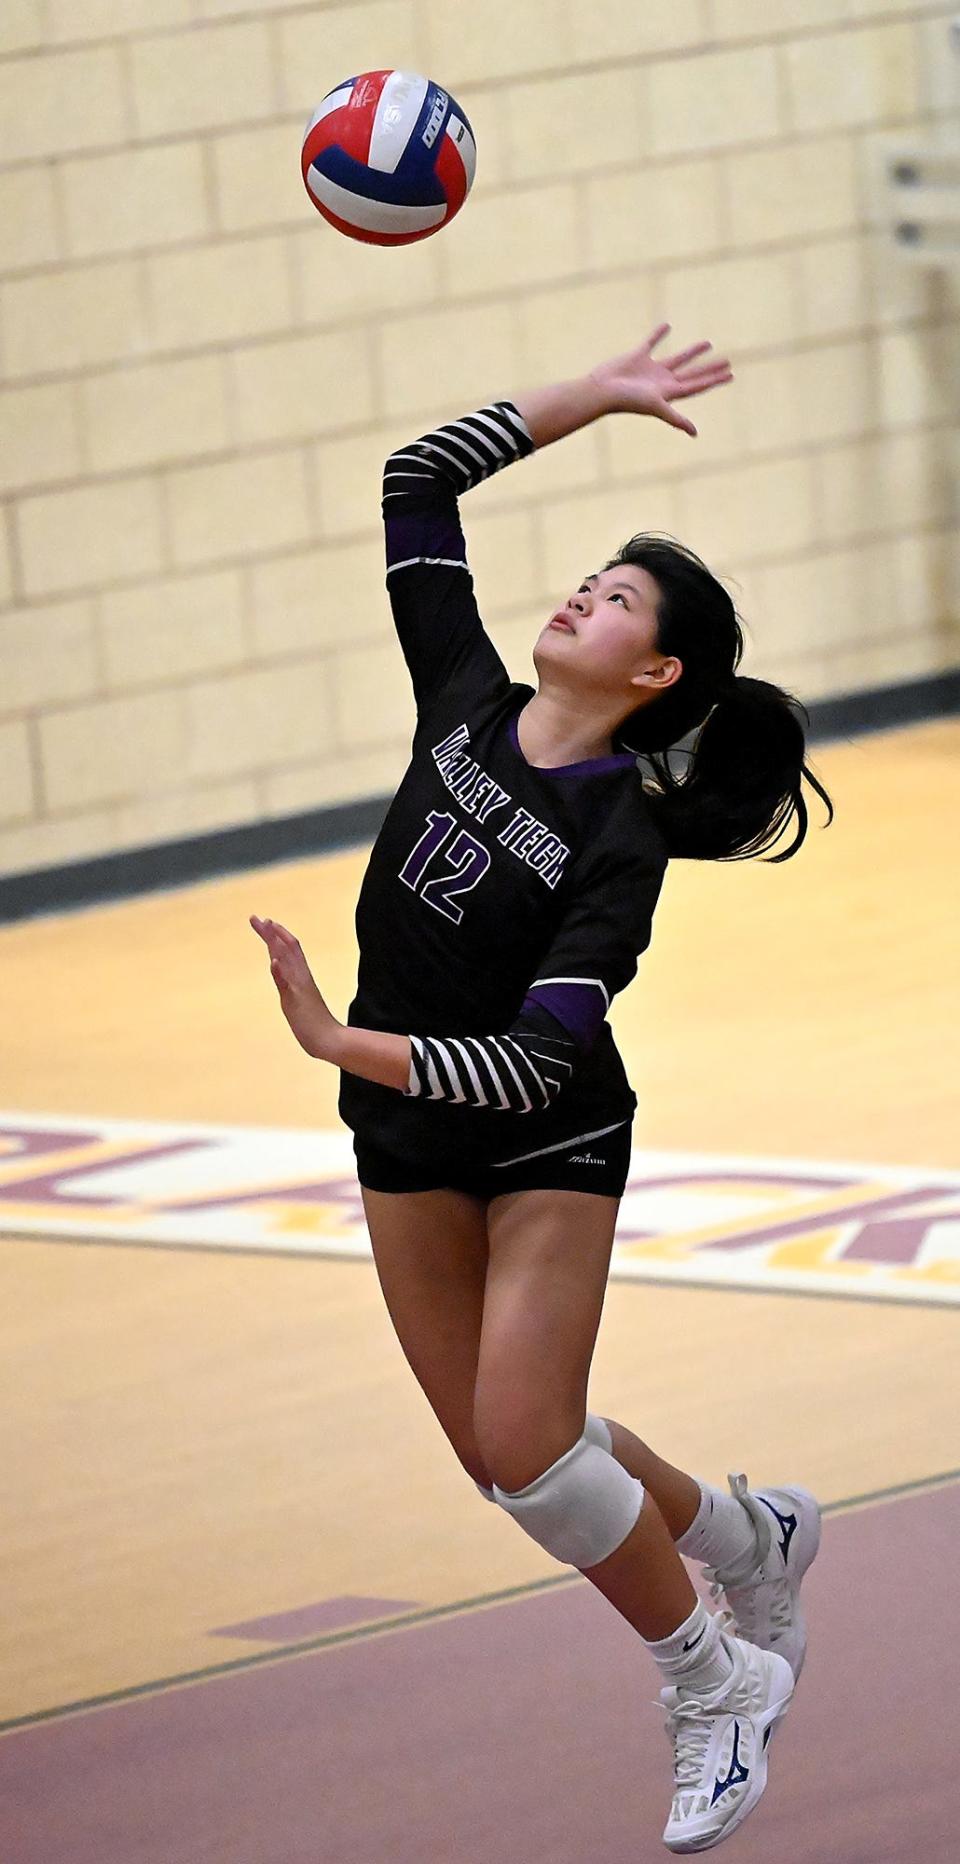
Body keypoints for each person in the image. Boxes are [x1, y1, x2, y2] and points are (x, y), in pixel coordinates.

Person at [250, 323, 834, 1853]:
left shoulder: (618, 841)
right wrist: (597, 397)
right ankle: (740, 1531)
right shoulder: (463, 694)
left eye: (620, 597)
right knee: (513, 1454)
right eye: (594, 571)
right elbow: (418, 477)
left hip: (544, 1136)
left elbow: (538, 1060)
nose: (583, 588)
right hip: (403, 1125)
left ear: (652, 674)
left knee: (525, 1438)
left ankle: (714, 1684)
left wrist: (335, 1040)